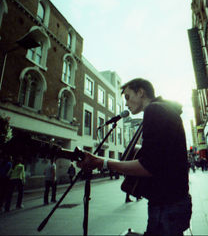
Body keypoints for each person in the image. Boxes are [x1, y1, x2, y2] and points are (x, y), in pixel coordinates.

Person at [76, 78, 192, 235]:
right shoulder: (165, 110)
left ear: (141, 92)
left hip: (166, 205)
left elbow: (148, 166)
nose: (126, 104)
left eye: (128, 97)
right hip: (175, 202)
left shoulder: (154, 110)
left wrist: (101, 162)